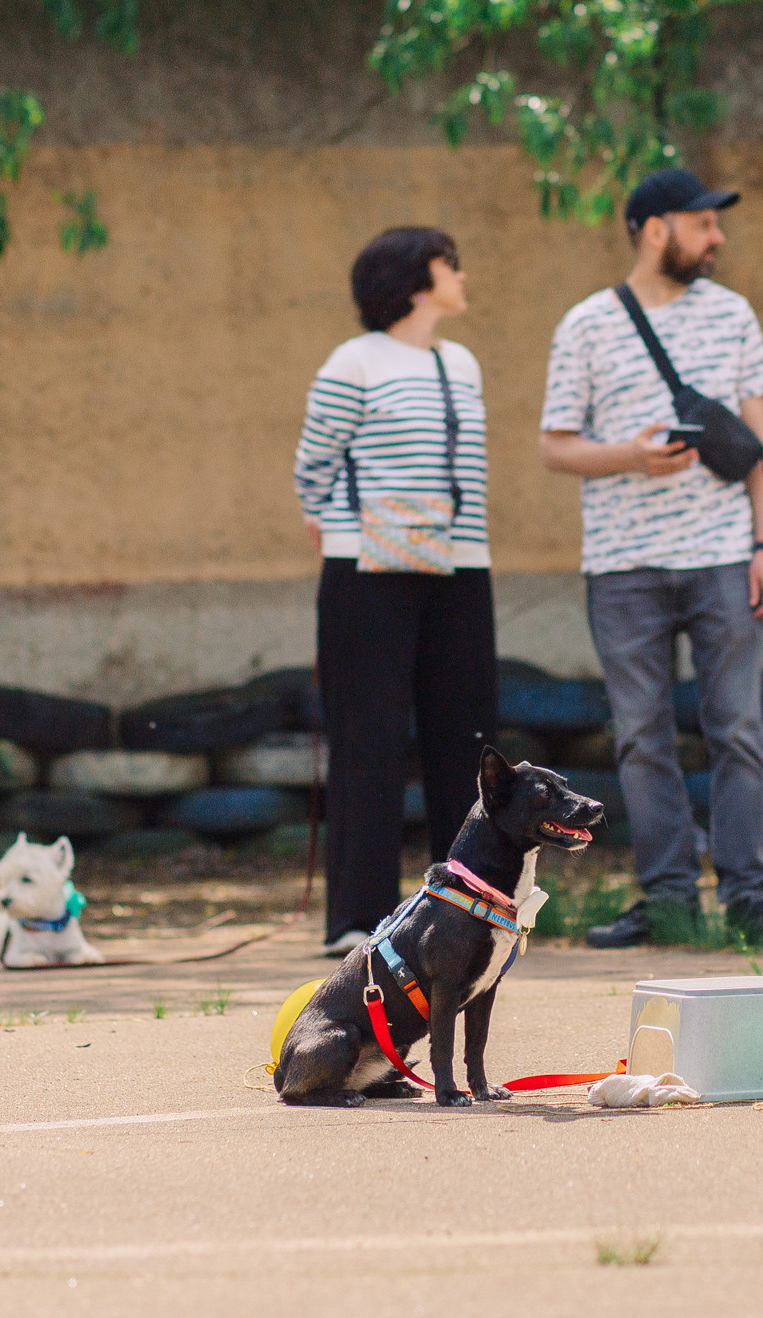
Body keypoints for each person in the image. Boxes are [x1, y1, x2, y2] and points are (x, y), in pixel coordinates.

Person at [537, 168, 763, 949]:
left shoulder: (732, 314)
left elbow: (759, 440)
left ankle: (749, 898)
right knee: (640, 737)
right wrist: (630, 456)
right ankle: (669, 899)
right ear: (657, 229)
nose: (717, 237)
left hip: (724, 557)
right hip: (622, 567)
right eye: (702, 222)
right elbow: (554, 447)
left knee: (738, 730)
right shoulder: (586, 323)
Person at [294, 226, 498, 956]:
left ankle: (472, 908)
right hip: (367, 569)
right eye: (451, 264)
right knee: (368, 738)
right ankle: (358, 917)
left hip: (460, 562)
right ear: (415, 281)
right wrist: (334, 527)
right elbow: (314, 464)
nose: (462, 276)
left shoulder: (462, 363)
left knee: (465, 738)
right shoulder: (353, 361)